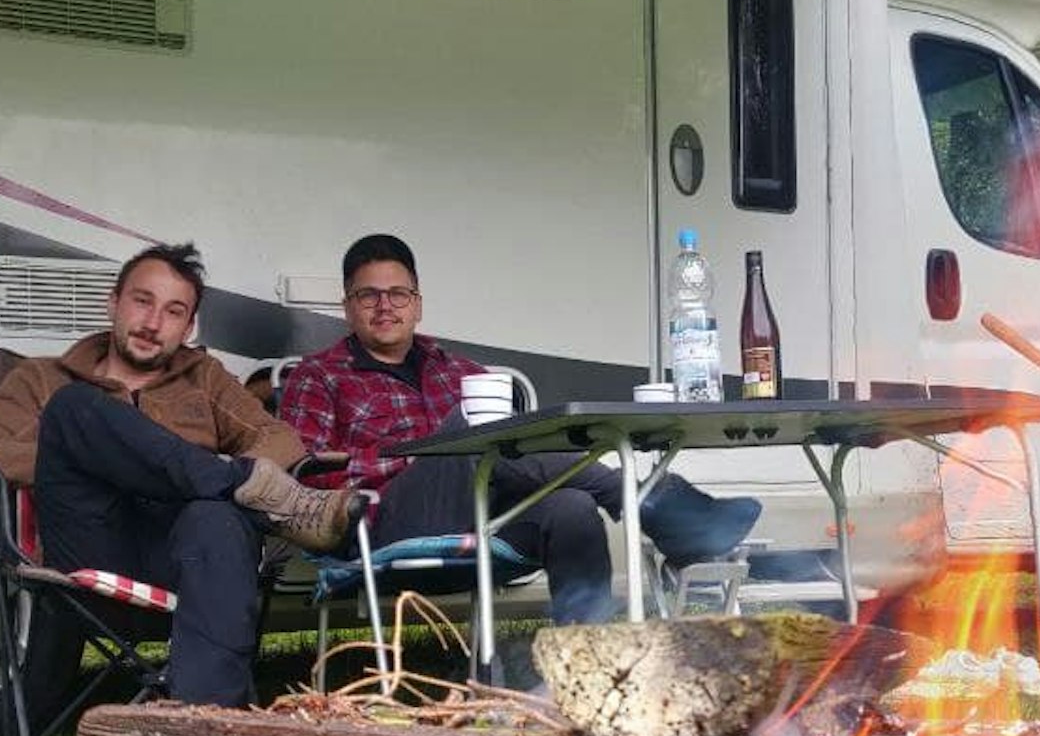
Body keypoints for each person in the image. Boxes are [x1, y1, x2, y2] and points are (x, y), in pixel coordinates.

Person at [0, 241, 363, 707]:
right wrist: (93, 458)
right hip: (89, 550)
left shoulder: (203, 379)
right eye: (142, 301)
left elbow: (281, 439)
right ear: (114, 303)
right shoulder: (44, 379)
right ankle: (260, 493)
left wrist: (188, 473)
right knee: (74, 409)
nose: (153, 322)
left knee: (217, 518)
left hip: (188, 554)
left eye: (174, 311)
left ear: (188, 327)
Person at [277, 232, 758, 624]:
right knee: (468, 430)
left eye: (398, 294)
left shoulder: (460, 371)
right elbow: (303, 478)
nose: (385, 306)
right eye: (368, 295)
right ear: (347, 306)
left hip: (484, 519)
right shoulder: (318, 376)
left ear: (417, 304)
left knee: (570, 506)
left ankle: (581, 663)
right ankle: (655, 506)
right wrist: (414, 458)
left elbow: (517, 456)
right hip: (384, 526)